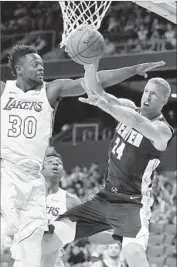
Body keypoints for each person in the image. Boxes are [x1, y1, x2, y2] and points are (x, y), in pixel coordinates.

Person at [0, 43, 165, 267]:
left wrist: (128, 70)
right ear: (18, 69)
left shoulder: (51, 90)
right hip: (9, 173)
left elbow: (98, 87)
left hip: (126, 201)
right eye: (35, 63)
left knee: (37, 246)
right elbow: (99, 90)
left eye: (42, 62)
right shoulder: (5, 90)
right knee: (34, 241)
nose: (41, 67)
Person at [75, 64, 174, 267]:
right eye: (145, 91)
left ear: (164, 101)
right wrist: (90, 63)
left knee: (134, 253)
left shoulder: (163, 130)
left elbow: (139, 123)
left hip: (133, 201)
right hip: (108, 194)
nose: (146, 97)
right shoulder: (128, 107)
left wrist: (103, 104)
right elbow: (96, 91)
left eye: (153, 94)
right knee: (58, 230)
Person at [11, 147, 117, 267]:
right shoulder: (25, 196)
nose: (55, 163)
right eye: (50, 162)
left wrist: (120, 237)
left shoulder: (70, 201)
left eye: (59, 163)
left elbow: (92, 236)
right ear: (40, 169)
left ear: (62, 172)